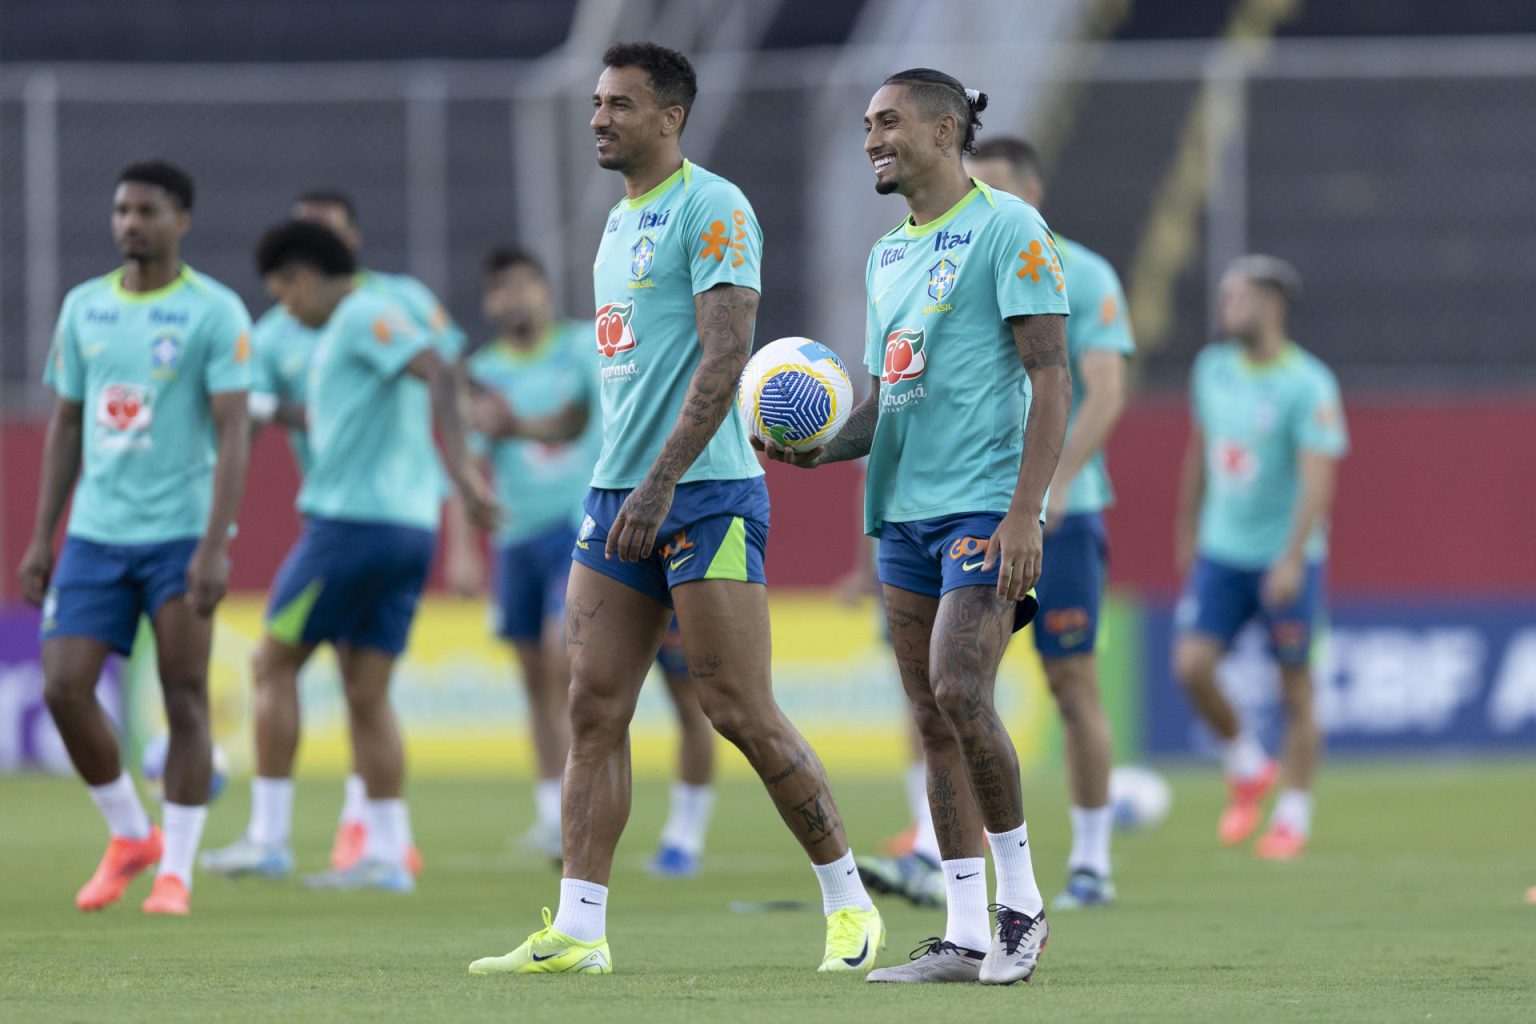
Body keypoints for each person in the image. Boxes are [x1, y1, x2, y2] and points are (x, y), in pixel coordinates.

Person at [468, 42, 882, 977]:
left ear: (671, 118)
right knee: (592, 707)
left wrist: (659, 486)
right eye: (596, 102)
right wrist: (628, 486)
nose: (599, 118)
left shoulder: (714, 206)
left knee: (736, 706)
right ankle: (580, 929)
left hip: (704, 497)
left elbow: (727, 355)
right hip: (616, 495)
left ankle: (849, 903)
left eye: (620, 104)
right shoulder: (618, 225)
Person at [764, 69, 1073, 985]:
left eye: (888, 123)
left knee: (959, 688)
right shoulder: (886, 255)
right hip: (902, 513)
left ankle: (1023, 907)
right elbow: (887, 399)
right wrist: (821, 448)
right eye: (865, 125)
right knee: (931, 719)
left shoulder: (1008, 227)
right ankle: (965, 930)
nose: (871, 139)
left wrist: (1025, 513)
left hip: (985, 503)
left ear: (946, 131)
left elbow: (1053, 378)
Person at [203, 219, 496, 893]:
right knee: (367, 693)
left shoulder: (365, 315)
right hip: (405, 530)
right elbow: (333, 414)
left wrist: (464, 474)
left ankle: (268, 840)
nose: (284, 308)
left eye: (283, 292)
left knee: (270, 662)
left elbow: (439, 365)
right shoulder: (347, 334)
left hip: (351, 527)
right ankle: (389, 856)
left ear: (304, 279)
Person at [17, 159, 252, 916]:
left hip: (179, 535)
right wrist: (41, 536)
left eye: (146, 211)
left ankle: (175, 870)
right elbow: (65, 423)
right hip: (95, 534)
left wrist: (214, 545)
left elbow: (235, 431)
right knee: (62, 686)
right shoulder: (85, 308)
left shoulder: (214, 312)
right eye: (122, 211)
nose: (130, 224)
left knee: (184, 691)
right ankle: (129, 833)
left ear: (180, 220)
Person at [445, 245, 717, 873]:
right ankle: (552, 815)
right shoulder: (484, 369)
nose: (511, 301)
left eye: (522, 287)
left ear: (543, 290)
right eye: (499, 291)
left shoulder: (585, 347)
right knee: (537, 679)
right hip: (517, 538)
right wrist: (463, 549)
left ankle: (685, 831)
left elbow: (570, 424)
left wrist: (516, 427)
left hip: (593, 530)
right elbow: (468, 466)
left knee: (682, 688)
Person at [1173, 255, 1346, 862]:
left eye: (1237, 297)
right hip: (1222, 552)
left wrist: (1294, 557)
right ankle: (1247, 764)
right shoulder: (1212, 369)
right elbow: (1202, 447)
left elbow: (1317, 478)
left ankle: (1292, 818)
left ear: (1271, 305)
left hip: (1284, 559)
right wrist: (1188, 525)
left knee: (1296, 692)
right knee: (1191, 665)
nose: (1225, 307)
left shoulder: (1309, 384)